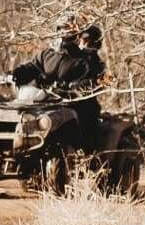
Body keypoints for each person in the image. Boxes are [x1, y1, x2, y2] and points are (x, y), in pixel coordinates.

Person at [6, 15, 107, 149]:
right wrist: (16, 74)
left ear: (76, 34)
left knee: (85, 125)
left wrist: (70, 87)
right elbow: (33, 67)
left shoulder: (84, 60)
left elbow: (90, 82)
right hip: (46, 101)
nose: (63, 34)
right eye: (60, 30)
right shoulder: (47, 54)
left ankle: (86, 157)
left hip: (73, 104)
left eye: (68, 31)